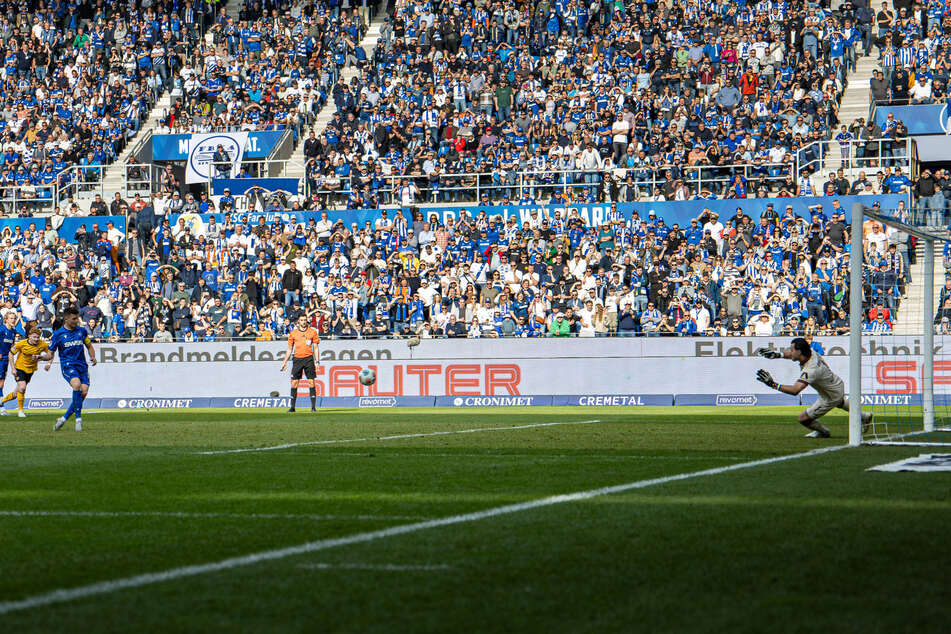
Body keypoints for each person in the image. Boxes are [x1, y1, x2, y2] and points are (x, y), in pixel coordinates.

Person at [754, 338, 872, 438]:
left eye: (792, 349)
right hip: (835, 385)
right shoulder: (809, 352)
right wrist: (777, 355)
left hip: (830, 394)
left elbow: (795, 390)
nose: (789, 351)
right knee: (840, 402)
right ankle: (865, 416)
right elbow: (792, 355)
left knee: (803, 419)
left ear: (799, 352)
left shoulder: (811, 370)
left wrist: (773, 384)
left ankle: (823, 432)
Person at [46, 307, 97, 432]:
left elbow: (89, 345)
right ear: (66, 318)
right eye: (74, 319)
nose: (76, 321)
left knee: (83, 393)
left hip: (82, 366)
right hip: (68, 365)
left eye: (77, 318)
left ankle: (63, 419)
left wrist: (93, 356)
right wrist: (41, 358)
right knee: (77, 385)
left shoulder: (82, 331)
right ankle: (78, 421)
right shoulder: (58, 334)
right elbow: (50, 353)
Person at [1, 327, 51, 418]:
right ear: (29, 336)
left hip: (30, 370)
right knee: (22, 388)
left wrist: (41, 357)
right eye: (34, 337)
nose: (36, 339)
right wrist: (13, 368)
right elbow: (11, 353)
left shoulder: (42, 344)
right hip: (19, 368)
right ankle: (20, 411)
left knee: (17, 393)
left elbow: (49, 355)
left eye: (38, 337)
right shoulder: (22, 343)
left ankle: (2, 401)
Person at [280, 315, 320, 413]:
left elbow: (315, 347)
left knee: (311, 382)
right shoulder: (293, 333)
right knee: (294, 383)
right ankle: (292, 407)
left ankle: (313, 408)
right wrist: (284, 362)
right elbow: (289, 349)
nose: (303, 322)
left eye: (305, 320)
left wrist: (317, 361)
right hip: (297, 359)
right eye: (301, 320)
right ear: (298, 322)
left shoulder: (312, 332)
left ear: (307, 321)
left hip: (309, 359)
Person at [0, 312, 18, 413]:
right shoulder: (2, 329)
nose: (13, 320)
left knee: (2, 382)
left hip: (6, 359)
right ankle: (1, 407)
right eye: (11, 318)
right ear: (6, 319)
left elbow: (12, 345)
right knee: (1, 383)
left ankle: (1, 407)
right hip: (1, 358)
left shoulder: (13, 331)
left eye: (14, 318)